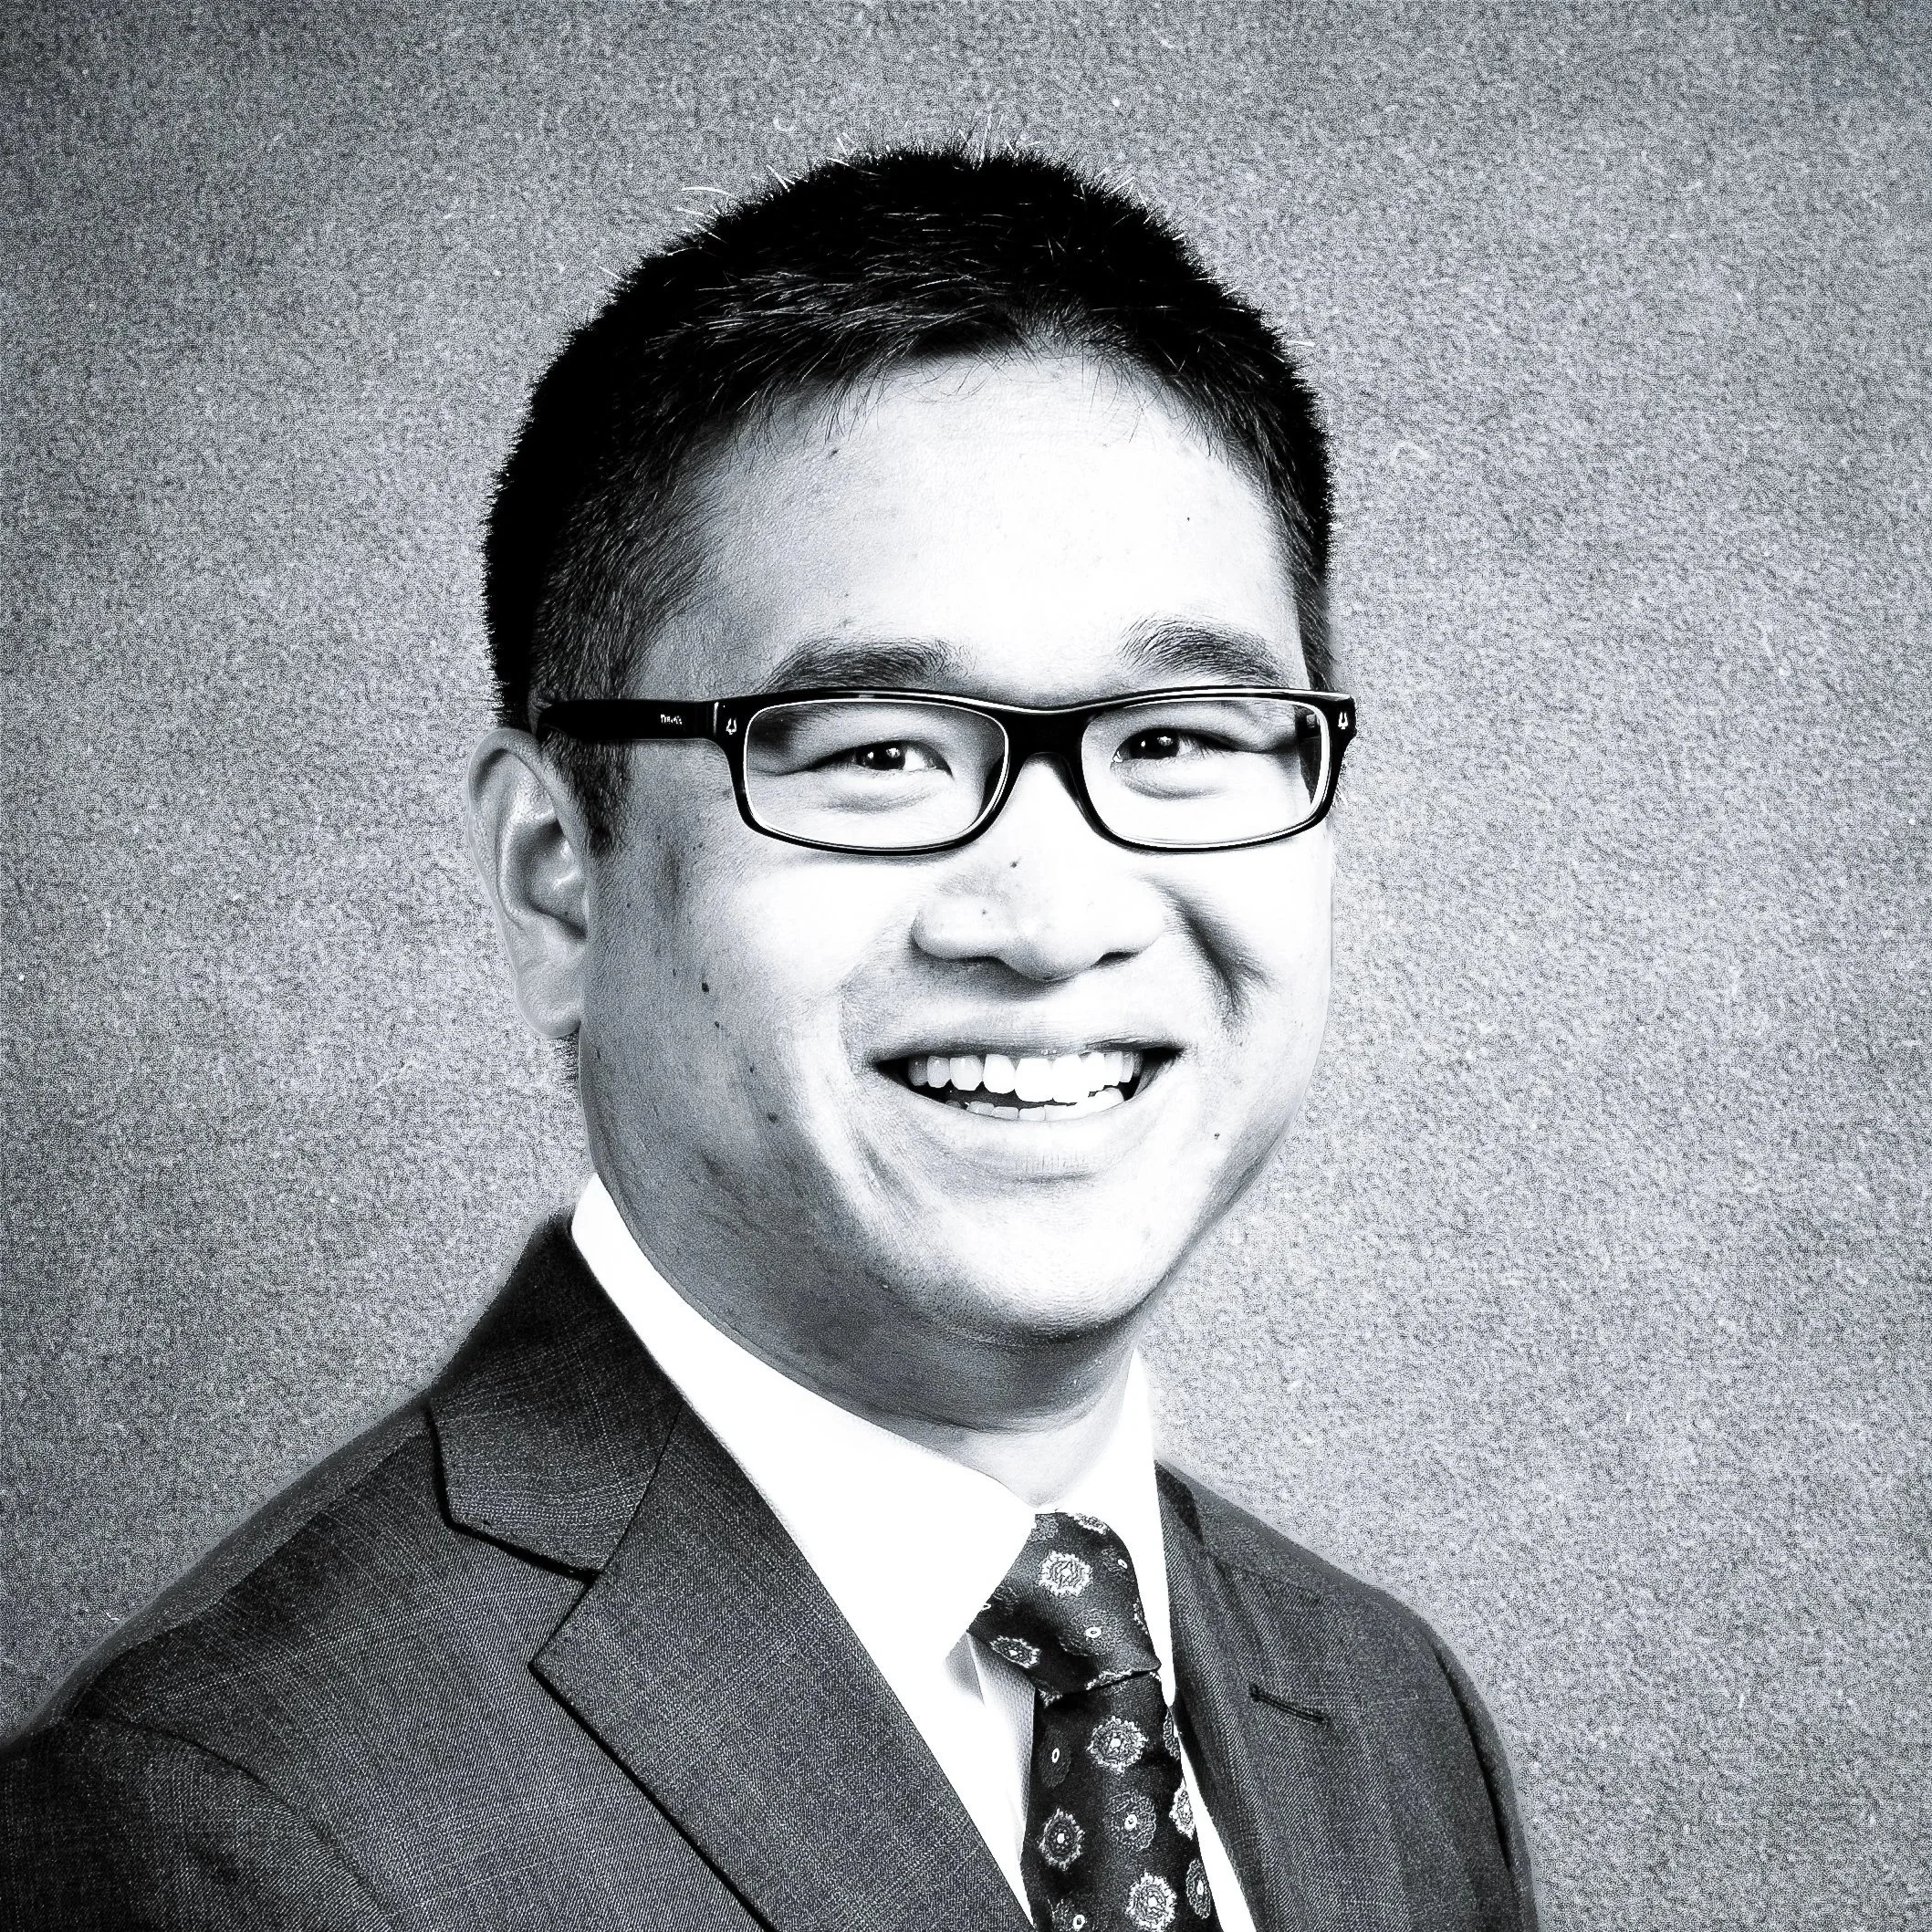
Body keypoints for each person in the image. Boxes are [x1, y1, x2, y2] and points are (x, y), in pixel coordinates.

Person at [0, 144, 1536, 1930]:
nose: (1052, 916)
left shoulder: (1385, 1710)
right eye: (874, 749)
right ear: (556, 877)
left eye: (1182, 738)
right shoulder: (214, 1831)